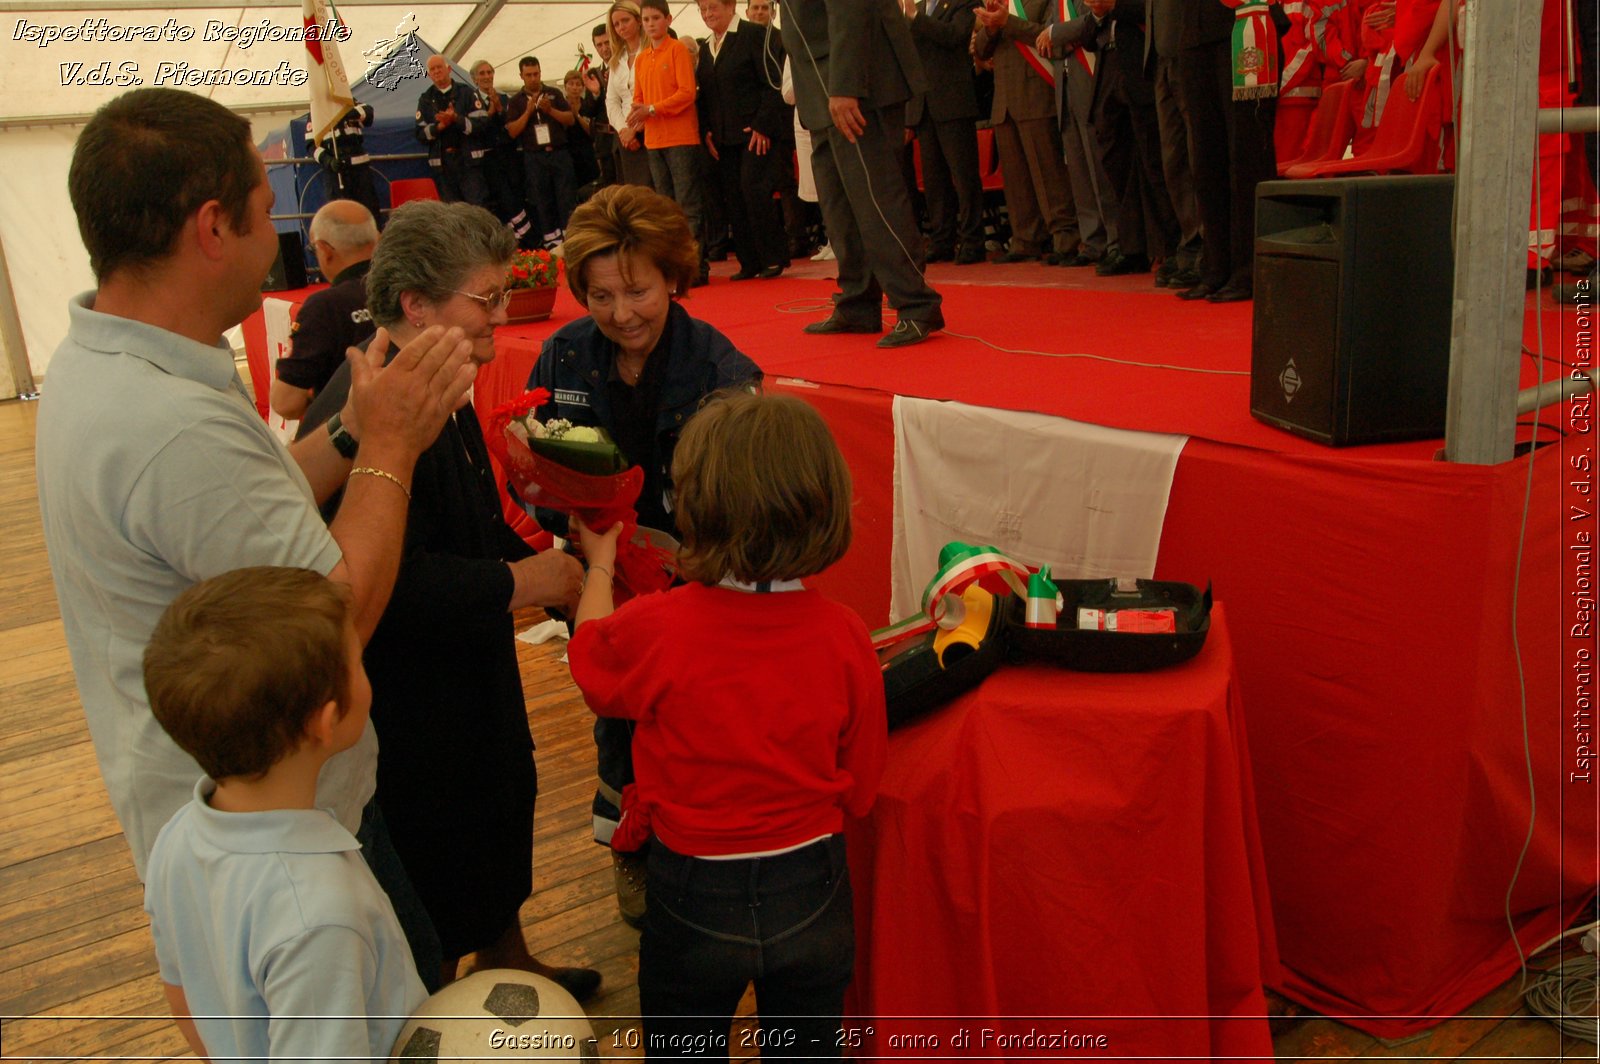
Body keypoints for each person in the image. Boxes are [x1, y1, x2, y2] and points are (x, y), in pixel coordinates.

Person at [36, 88, 473, 989]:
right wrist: (393, 446)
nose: (278, 228)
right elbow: (328, 619)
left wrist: (350, 430)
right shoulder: (172, 424)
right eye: (262, 209)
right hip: (278, 825)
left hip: (220, 819)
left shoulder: (110, 358)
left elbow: (253, 512)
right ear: (210, 229)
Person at [298, 200, 597, 997]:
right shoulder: (368, 406)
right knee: (436, 851)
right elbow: (385, 582)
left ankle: (507, 959)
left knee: (501, 800)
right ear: (416, 305)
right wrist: (523, 581)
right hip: (410, 695)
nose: (502, 315)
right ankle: (439, 1008)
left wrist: (551, 554)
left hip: (470, 670)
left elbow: (466, 521)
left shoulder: (434, 375)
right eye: (488, 298)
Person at [567, 391, 887, 1057]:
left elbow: (591, 660)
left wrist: (599, 563)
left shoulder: (658, 627)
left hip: (693, 888)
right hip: (813, 883)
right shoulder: (846, 634)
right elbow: (861, 782)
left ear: (692, 505)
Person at [526, 184, 761, 927]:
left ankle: (708, 851)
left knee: (697, 720)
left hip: (699, 583)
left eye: (638, 290)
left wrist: (702, 559)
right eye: (600, 296)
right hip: (603, 578)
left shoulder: (724, 372)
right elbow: (537, 464)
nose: (621, 313)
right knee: (616, 716)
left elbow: (750, 501)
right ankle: (629, 850)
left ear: (673, 278)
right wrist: (558, 504)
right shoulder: (563, 354)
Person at [142, 567, 428, 1062]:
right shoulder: (315, 914)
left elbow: (181, 988)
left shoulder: (178, 836)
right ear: (325, 720)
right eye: (357, 661)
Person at [783, 0, 945, 347]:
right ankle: (857, 301)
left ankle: (915, 303)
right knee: (839, 205)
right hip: (819, 86)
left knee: (876, 198)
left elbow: (850, 9)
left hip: (856, 81)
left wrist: (845, 84)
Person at [975, 0, 1081, 265]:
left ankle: (1065, 238)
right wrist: (991, 27)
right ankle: (1026, 239)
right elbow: (980, 49)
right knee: (1016, 179)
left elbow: (1050, 36)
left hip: (1035, 92)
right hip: (1005, 101)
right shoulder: (999, 2)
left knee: (1049, 174)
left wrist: (1006, 21)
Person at [697, 0, 791, 280]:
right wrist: (707, 131)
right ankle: (748, 262)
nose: (708, 14)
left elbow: (773, 84)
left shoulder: (753, 34)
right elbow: (707, 94)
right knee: (734, 197)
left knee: (754, 192)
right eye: (702, 10)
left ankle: (773, 257)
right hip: (723, 137)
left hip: (754, 132)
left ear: (730, 6)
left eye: (713, 7)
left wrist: (763, 125)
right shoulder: (705, 47)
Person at [271, 199, 379, 422]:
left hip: (357, 439)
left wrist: (324, 404)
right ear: (377, 240)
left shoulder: (325, 307)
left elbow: (286, 402)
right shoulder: (410, 289)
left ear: (325, 250)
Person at [630, 0, 709, 286]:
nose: (650, 24)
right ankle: (675, 266)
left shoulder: (677, 50)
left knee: (688, 204)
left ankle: (697, 267)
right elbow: (639, 97)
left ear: (668, 19)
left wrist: (651, 109)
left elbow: (687, 93)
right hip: (654, 139)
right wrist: (637, 114)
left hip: (680, 137)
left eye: (655, 18)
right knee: (665, 207)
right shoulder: (641, 58)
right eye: (646, 19)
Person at [904, 0, 986, 266]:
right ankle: (942, 240)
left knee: (964, 178)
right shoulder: (918, 8)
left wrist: (915, 17)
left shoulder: (963, 3)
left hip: (953, 102)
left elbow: (955, 37)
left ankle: (973, 241)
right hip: (924, 106)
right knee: (934, 180)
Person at [506, 56, 579, 247]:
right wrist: (529, 111)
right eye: (528, 75)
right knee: (542, 199)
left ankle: (570, 238)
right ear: (521, 76)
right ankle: (551, 243)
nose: (533, 78)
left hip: (558, 153)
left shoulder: (553, 93)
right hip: (534, 157)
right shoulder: (516, 101)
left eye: (536, 74)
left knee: (566, 198)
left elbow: (570, 120)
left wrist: (550, 110)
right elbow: (512, 131)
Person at [470, 59, 537, 246]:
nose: (486, 77)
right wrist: (490, 111)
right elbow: (475, 129)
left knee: (516, 196)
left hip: (509, 156)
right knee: (502, 200)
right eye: (482, 73)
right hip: (487, 160)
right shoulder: (470, 99)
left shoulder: (505, 98)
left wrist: (499, 109)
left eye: (489, 72)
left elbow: (510, 127)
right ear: (474, 78)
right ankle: (513, 239)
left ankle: (525, 239)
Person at [417, 54, 489, 205]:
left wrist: (456, 119)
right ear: (429, 74)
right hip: (443, 168)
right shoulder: (425, 99)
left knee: (476, 209)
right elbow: (419, 134)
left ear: (449, 69)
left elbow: (482, 124)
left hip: (469, 164)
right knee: (451, 214)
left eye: (439, 67)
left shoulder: (467, 93)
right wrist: (439, 127)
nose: (436, 71)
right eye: (432, 69)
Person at [606, 1, 656, 190]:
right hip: (625, 138)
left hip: (650, 129)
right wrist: (623, 131)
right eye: (616, 24)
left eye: (625, 20)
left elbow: (656, 94)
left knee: (654, 193)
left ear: (638, 20)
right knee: (633, 196)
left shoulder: (652, 49)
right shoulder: (616, 60)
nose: (621, 27)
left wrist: (634, 129)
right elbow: (611, 101)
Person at [309, 102, 381, 220]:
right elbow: (312, 146)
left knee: (369, 213)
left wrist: (343, 113)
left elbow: (368, 114)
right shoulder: (316, 113)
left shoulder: (350, 103)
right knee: (339, 217)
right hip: (336, 174)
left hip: (361, 173)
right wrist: (328, 160)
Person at [588, 25, 622, 188]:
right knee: (610, 186)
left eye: (607, 42)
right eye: (599, 45)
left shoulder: (625, 64)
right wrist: (595, 94)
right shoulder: (593, 74)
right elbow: (587, 110)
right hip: (605, 140)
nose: (604, 48)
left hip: (624, 134)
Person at [565, 68, 605, 198]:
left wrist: (576, 114)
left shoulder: (587, 105)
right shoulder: (560, 106)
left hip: (587, 153)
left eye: (578, 84)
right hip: (568, 154)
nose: (574, 88)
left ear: (583, 87)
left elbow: (590, 130)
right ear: (565, 86)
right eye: (571, 84)